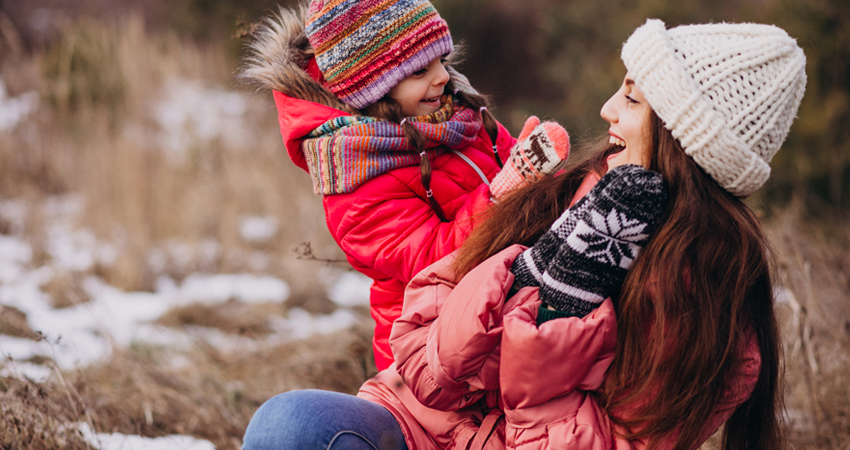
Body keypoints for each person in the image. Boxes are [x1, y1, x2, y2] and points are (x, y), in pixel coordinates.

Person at [243, 18, 806, 450]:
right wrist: (521, 275)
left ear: (687, 138)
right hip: (425, 426)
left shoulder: (711, 307)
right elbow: (419, 347)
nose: (608, 108)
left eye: (633, 99)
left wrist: (555, 321)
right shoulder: (576, 194)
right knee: (288, 425)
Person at [238, 0, 570, 371]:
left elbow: (514, 171)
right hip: (432, 353)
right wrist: (506, 191)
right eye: (419, 71)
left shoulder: (456, 116)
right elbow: (432, 262)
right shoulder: (357, 181)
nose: (442, 76)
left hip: (501, 306)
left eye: (442, 60)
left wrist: (546, 182)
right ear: (372, 89)